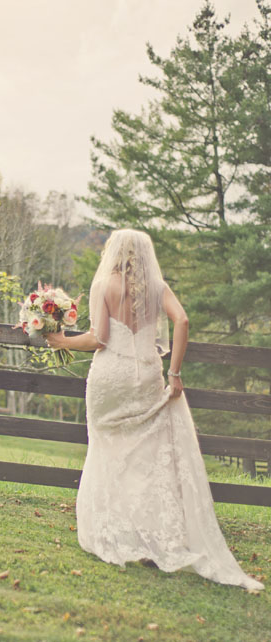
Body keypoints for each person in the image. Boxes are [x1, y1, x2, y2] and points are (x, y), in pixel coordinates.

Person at [45, 228, 264, 592]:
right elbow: (183, 321)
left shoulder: (105, 286)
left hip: (111, 379)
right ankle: (149, 534)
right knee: (145, 456)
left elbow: (99, 338)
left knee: (106, 448)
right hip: (146, 376)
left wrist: (61, 341)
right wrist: (174, 373)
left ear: (116, 252)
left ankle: (115, 530)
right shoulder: (156, 287)